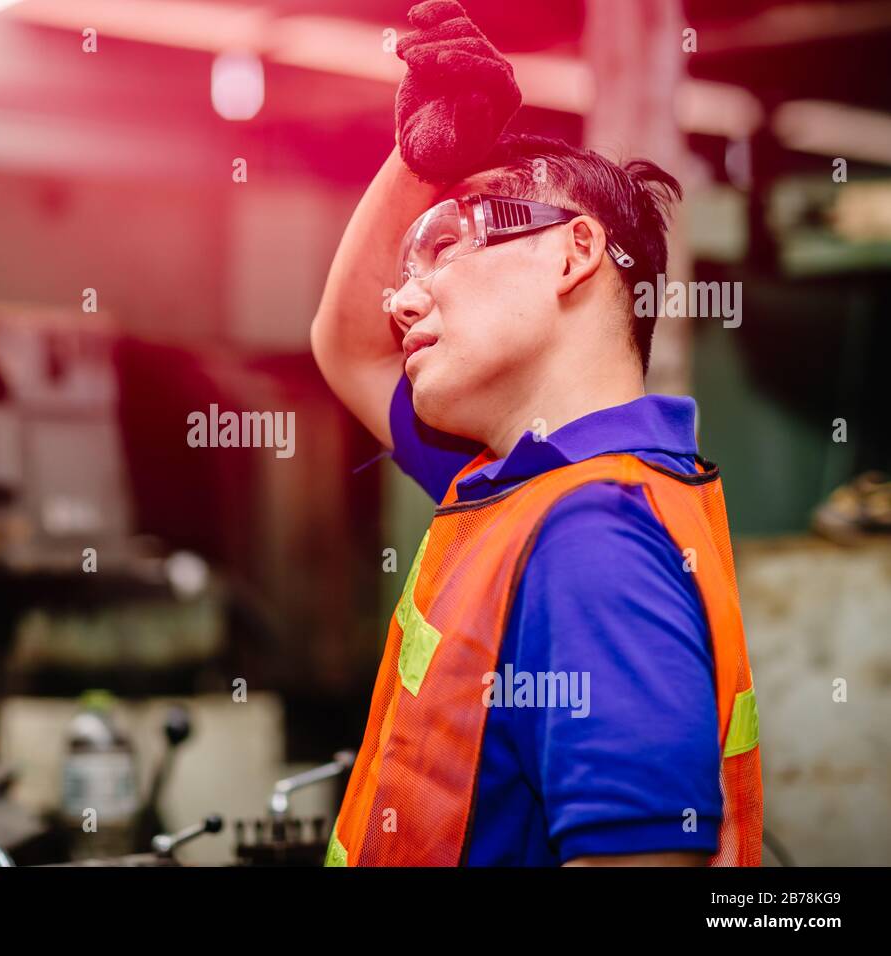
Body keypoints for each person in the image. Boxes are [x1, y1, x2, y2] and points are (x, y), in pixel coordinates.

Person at [311, 5, 762, 867]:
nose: (401, 300)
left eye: (445, 247)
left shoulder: (594, 535)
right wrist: (419, 164)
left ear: (572, 256)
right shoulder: (514, 485)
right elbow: (348, 345)